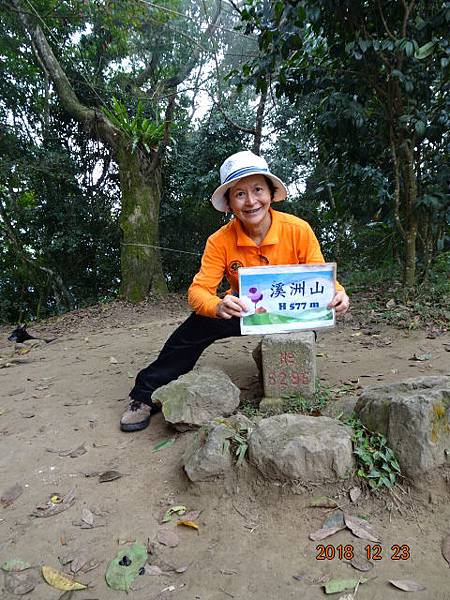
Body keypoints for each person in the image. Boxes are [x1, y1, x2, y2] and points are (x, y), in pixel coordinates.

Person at [120, 150, 349, 432]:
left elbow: (320, 276)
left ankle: (286, 382)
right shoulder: (219, 241)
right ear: (229, 203)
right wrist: (217, 306)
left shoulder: (298, 230)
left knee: (302, 331)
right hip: (245, 310)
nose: (251, 201)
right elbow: (199, 290)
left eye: (257, 190)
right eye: (239, 194)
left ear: (271, 193)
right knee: (191, 332)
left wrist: (337, 292)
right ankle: (144, 395)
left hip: (292, 313)